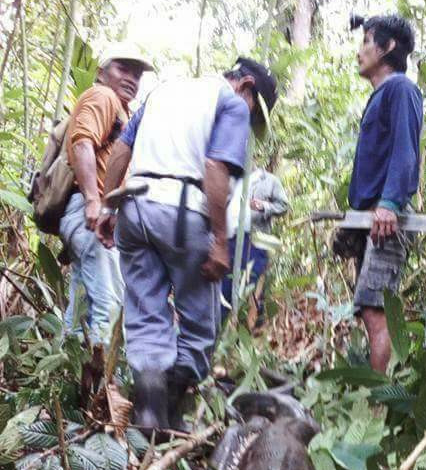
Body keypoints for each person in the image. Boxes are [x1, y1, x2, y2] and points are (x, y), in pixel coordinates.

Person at [96, 57, 278, 433]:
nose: (249, 120)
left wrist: (106, 207)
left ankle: (148, 413)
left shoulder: (164, 93)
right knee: (200, 322)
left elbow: (121, 152)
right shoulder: (228, 103)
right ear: (245, 85)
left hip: (135, 207)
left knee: (146, 313)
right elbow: (214, 168)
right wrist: (219, 242)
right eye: (253, 110)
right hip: (181, 212)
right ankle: (172, 410)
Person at [340, 14, 423, 373]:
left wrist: (389, 204)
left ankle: (378, 407)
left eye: (366, 41)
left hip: (385, 219)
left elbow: (406, 150)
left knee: (376, 311)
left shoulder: (400, 89)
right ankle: (377, 397)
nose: (360, 51)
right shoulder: (381, 96)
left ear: (387, 47)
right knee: (369, 309)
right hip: (371, 219)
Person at [60, 45, 153, 346]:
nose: (131, 79)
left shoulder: (121, 109)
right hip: (91, 214)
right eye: (122, 69)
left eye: (137, 74)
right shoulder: (103, 96)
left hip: (87, 216)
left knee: (80, 312)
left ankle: (67, 382)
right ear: (101, 73)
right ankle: (107, 389)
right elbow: (82, 142)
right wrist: (93, 201)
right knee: (108, 307)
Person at [223, 166, 289, 327]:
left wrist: (264, 206)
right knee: (226, 286)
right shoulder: (234, 178)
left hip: (256, 240)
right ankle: (225, 328)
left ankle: (250, 329)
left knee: (253, 286)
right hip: (231, 239)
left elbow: (284, 206)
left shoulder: (269, 180)